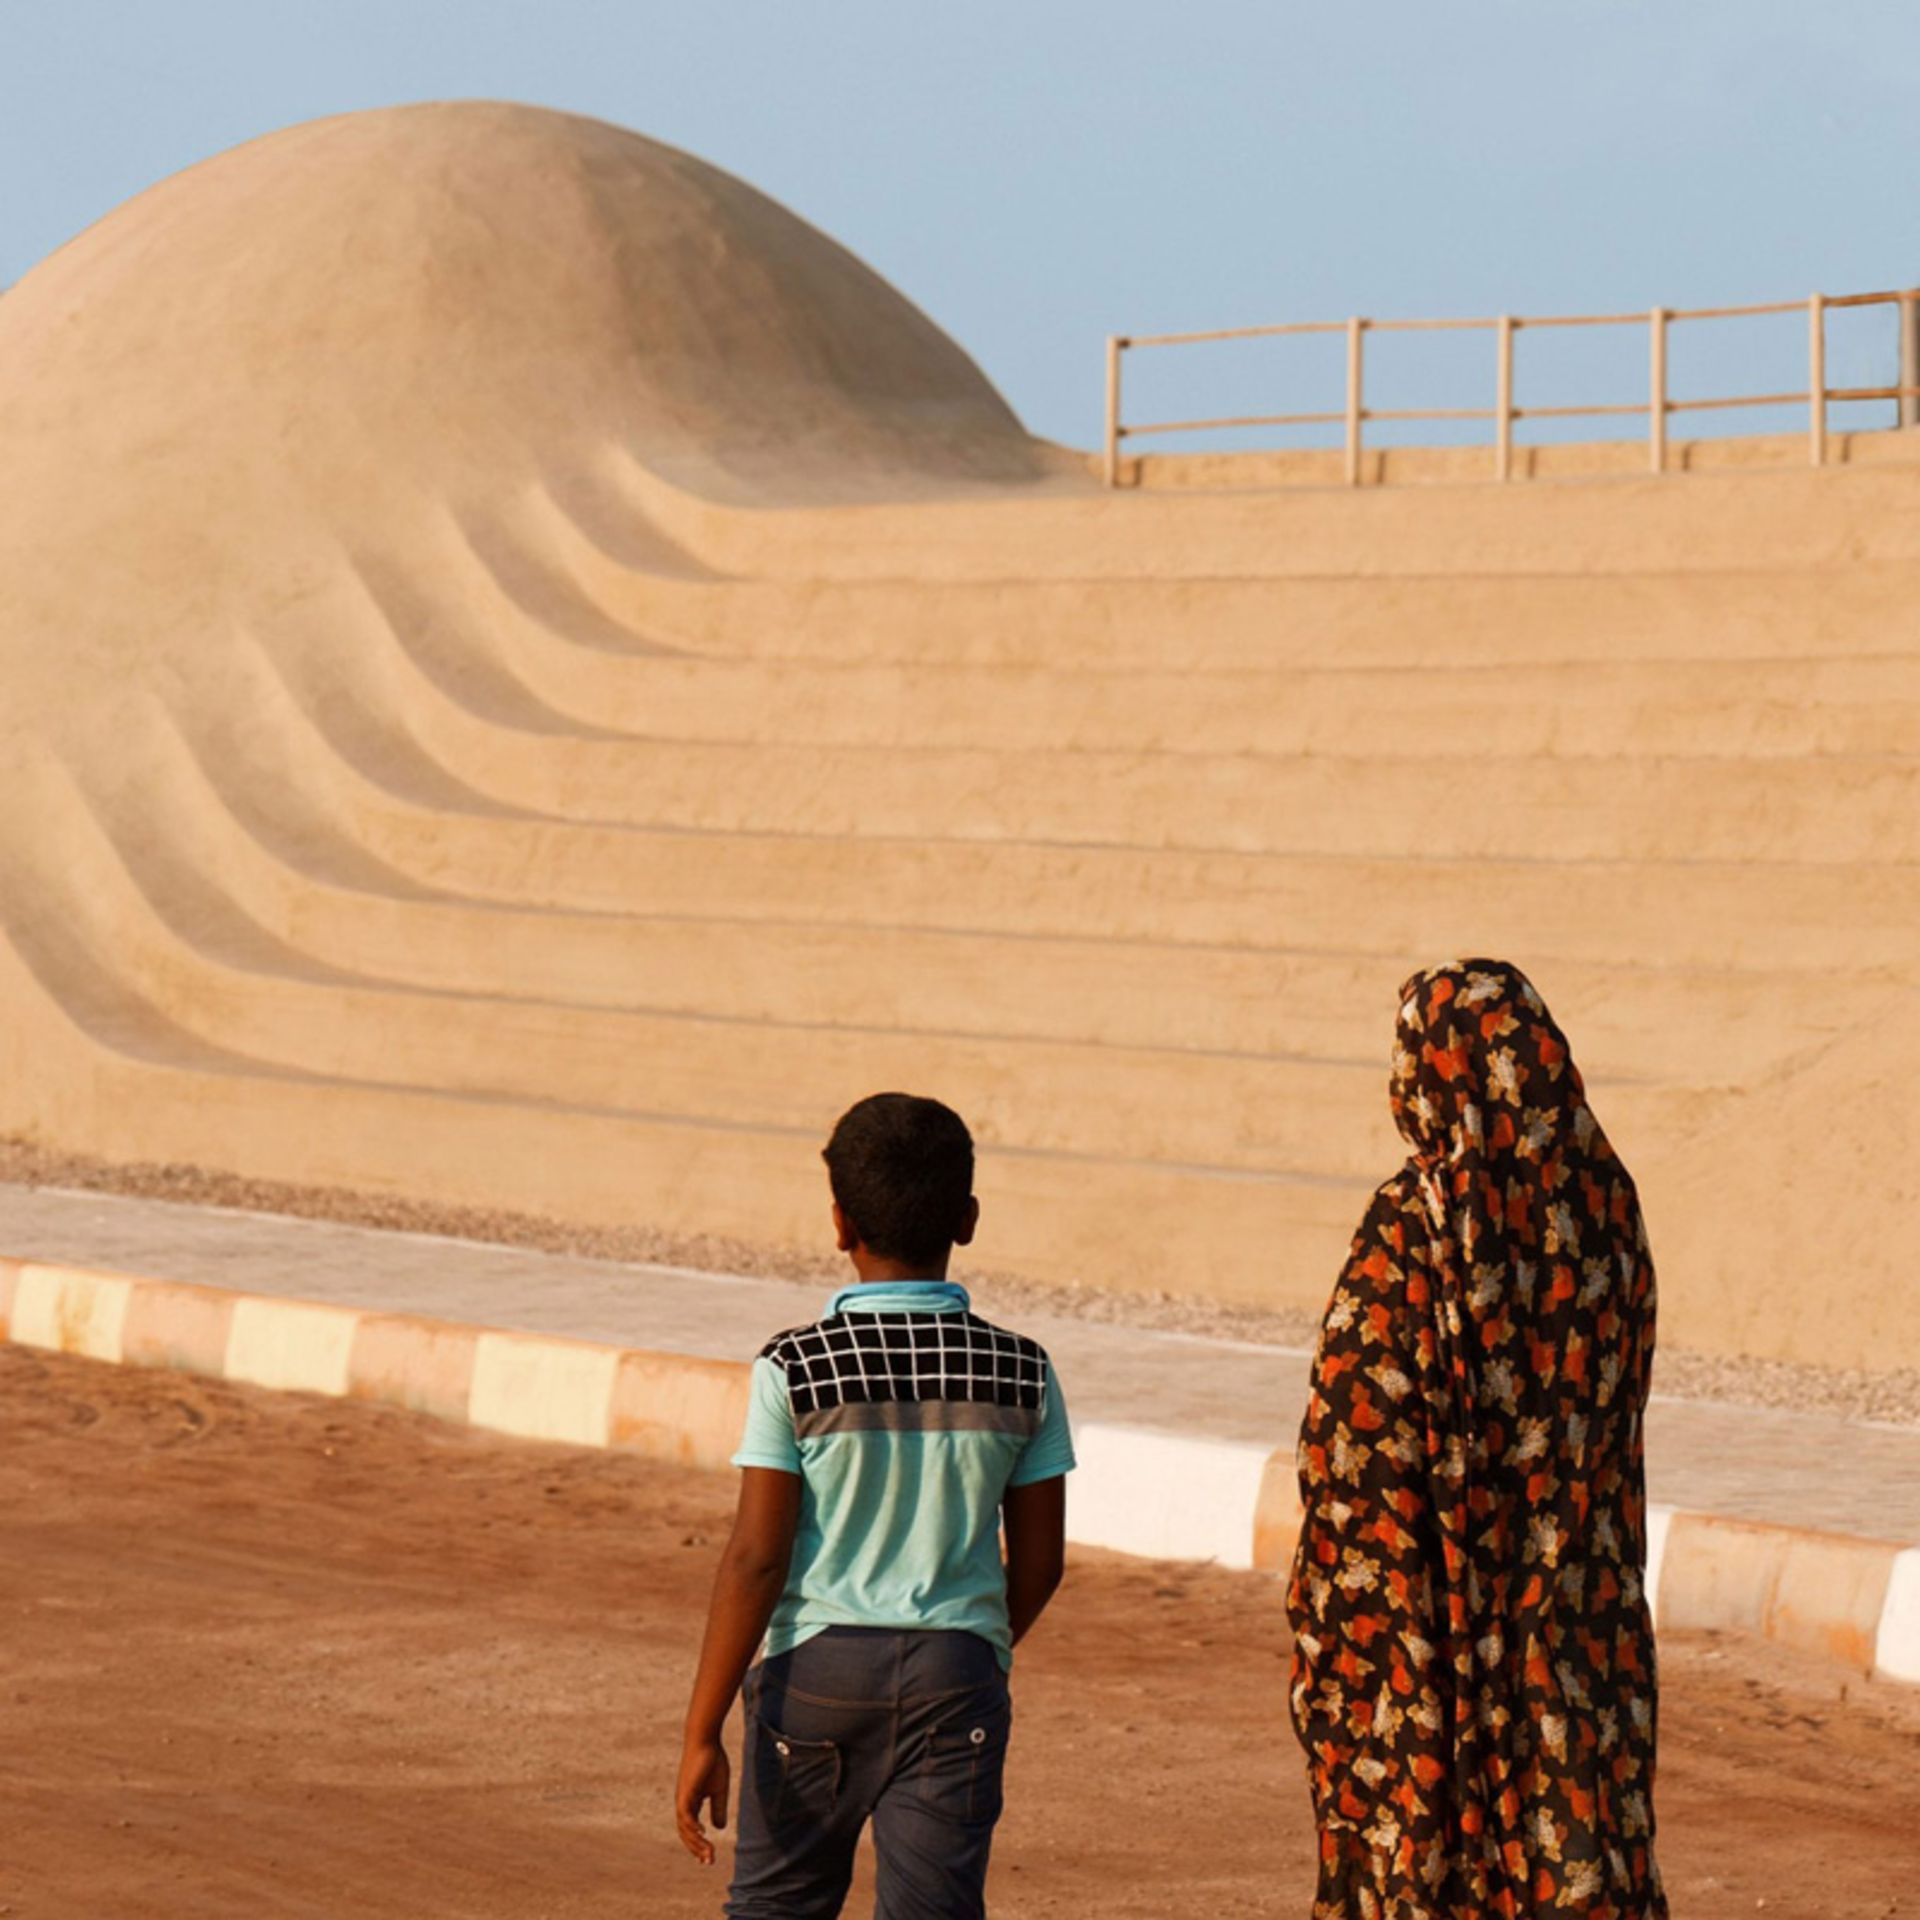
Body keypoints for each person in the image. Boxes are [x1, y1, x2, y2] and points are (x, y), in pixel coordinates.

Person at [1288, 960, 1666, 1919]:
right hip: (1579, 1636)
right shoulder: (1612, 1220)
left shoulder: (1415, 1227)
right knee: (1578, 1851)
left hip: (1434, 1644)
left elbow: (1353, 1457)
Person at [675, 1091, 1075, 1919]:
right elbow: (1040, 1562)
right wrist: (976, 1642)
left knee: (777, 1906)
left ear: (839, 1223)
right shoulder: (1023, 1372)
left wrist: (701, 1730)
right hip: (956, 1676)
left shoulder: (794, 1366)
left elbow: (756, 1557)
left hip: (815, 1674)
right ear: (966, 1219)